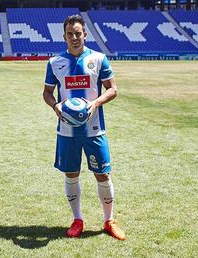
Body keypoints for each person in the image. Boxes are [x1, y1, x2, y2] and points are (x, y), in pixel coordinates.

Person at [42, 14, 126, 240]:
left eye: (78, 33)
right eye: (70, 34)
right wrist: (56, 106)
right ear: (64, 36)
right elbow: (47, 94)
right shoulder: (54, 62)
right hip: (67, 131)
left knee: (103, 174)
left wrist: (95, 103)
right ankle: (77, 219)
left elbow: (113, 89)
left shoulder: (99, 59)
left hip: (94, 129)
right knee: (71, 174)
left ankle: (109, 221)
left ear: (85, 34)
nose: (74, 37)